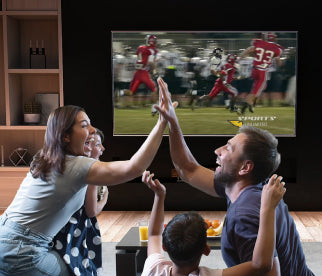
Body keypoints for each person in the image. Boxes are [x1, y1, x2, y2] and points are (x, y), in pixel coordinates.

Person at [0, 90, 171, 276]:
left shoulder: (46, 157)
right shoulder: (75, 165)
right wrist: (162, 122)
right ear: (65, 136)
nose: (92, 130)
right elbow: (134, 168)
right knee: (76, 269)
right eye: (84, 125)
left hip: (6, 235)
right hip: (23, 249)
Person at [154, 77, 314, 276]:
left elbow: (269, 273)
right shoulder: (247, 186)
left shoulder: (245, 215)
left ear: (245, 168)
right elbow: (188, 170)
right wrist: (172, 120)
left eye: (228, 149)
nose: (217, 150)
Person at [141, 170, 286, 276]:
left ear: (164, 247)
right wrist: (268, 207)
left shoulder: (153, 269)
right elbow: (261, 265)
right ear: (206, 249)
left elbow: (154, 234)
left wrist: (159, 196)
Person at [53, 128, 107, 276]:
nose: (102, 148)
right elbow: (92, 210)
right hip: (74, 229)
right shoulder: (90, 169)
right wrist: (105, 198)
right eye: (97, 145)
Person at [239, 32, 284, 114]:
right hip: (262, 71)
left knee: (260, 88)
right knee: (255, 92)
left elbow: (250, 50)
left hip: (254, 70)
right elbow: (279, 63)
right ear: (274, 38)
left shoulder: (258, 43)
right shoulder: (276, 48)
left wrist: (241, 56)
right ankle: (246, 104)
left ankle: (251, 103)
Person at [124, 34, 159, 113]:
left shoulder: (140, 48)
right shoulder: (152, 50)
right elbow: (150, 62)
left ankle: (121, 92)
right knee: (154, 90)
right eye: (155, 41)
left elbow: (140, 58)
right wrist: (154, 71)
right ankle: (154, 108)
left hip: (137, 73)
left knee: (131, 92)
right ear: (152, 41)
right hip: (143, 73)